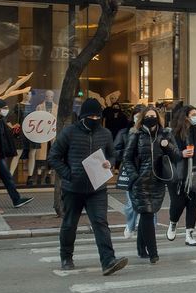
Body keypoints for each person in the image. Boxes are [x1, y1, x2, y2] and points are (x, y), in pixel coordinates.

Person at [46, 98, 128, 275]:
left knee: (100, 223)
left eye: (97, 116)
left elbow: (112, 155)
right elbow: (53, 157)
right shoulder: (69, 132)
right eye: (91, 116)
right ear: (83, 116)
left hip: (97, 188)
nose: (94, 119)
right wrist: (69, 175)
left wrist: (109, 163)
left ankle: (108, 261)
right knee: (69, 224)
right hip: (72, 189)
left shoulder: (105, 133)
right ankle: (66, 257)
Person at [123, 105, 182, 264]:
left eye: (153, 116)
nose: (151, 119)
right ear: (143, 118)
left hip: (158, 182)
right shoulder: (136, 134)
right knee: (147, 214)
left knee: (146, 214)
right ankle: (153, 253)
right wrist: (134, 176)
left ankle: (141, 248)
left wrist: (166, 145)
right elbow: (127, 158)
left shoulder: (166, 133)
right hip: (140, 182)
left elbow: (177, 156)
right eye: (148, 116)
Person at [166, 106, 196, 246]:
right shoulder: (175, 133)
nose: (195, 117)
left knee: (193, 205)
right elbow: (169, 152)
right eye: (193, 114)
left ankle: (189, 234)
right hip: (179, 175)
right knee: (178, 203)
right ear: (185, 117)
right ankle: (173, 223)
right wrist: (181, 154)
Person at [0, 98, 33, 208]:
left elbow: (5, 135)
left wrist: (14, 132)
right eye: (3, 108)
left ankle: (17, 200)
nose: (6, 110)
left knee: (7, 177)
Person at [113, 105, 144, 239]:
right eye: (137, 115)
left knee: (147, 204)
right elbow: (115, 151)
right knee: (131, 203)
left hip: (146, 171)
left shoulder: (149, 132)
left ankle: (147, 231)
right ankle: (130, 225)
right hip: (130, 171)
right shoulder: (124, 133)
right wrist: (127, 154)